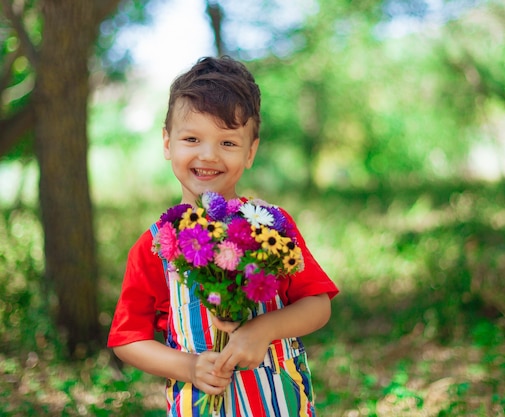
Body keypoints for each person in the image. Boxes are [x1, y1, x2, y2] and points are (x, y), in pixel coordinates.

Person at [107, 56, 339, 417]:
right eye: (191, 138)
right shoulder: (155, 244)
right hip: (199, 405)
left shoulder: (271, 227)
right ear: (167, 143)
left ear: (251, 151)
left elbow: (318, 304)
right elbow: (128, 339)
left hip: (277, 402)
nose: (208, 154)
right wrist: (188, 367)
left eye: (228, 143)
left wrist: (262, 330)